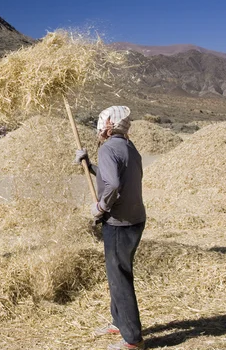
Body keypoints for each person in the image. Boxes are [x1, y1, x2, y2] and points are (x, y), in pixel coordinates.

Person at [74, 106, 146, 350]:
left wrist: (101, 207)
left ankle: (133, 339)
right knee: (118, 274)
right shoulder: (129, 147)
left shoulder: (108, 148)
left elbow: (113, 184)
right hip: (135, 219)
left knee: (120, 278)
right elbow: (118, 176)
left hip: (118, 223)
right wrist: (90, 165)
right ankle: (119, 322)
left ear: (108, 124)